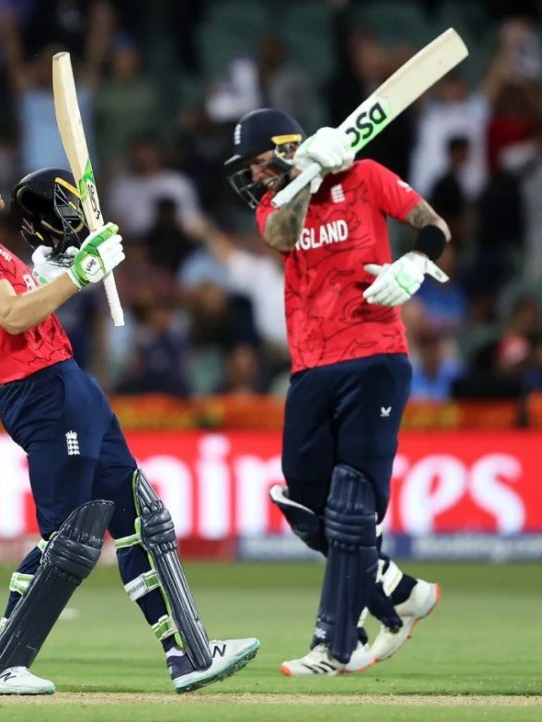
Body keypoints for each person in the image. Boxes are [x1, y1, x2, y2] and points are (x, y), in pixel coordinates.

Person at [0, 143, 259, 695]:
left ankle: (190, 653)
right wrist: (78, 274)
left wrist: (55, 266)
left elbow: (27, 303)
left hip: (68, 383)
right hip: (42, 392)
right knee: (70, 538)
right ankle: (0, 665)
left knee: (144, 522)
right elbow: (9, 314)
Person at [224, 108, 446, 675]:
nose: (253, 178)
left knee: (352, 502)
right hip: (311, 365)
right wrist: (303, 177)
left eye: (256, 164)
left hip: (375, 354)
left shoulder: (365, 176)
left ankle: (334, 646)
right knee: (301, 497)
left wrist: (416, 262)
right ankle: (398, 593)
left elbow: (434, 226)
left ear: (280, 147)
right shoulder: (277, 204)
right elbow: (281, 237)